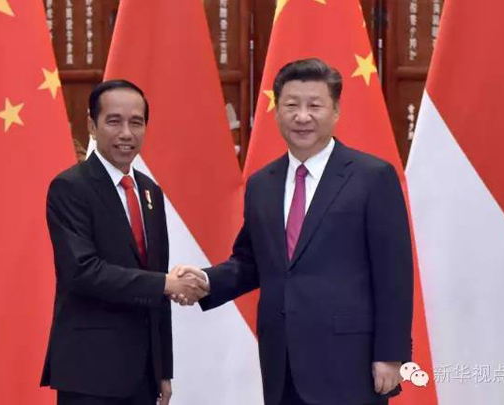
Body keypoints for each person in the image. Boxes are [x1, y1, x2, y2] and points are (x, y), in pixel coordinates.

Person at [174, 59, 413, 405]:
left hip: (350, 361)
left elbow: (394, 274)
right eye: (291, 105)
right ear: (277, 112)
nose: (302, 116)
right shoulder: (262, 184)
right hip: (281, 360)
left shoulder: (372, 177)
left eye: (314, 105)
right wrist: (206, 281)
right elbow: (251, 262)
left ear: (336, 111)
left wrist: (390, 355)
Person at [40, 79, 207, 405]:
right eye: (114, 121)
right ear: (92, 125)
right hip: (90, 372)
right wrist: (166, 283)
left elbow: (157, 280)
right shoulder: (70, 188)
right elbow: (83, 271)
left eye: (136, 123)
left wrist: (163, 369)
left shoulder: (149, 192)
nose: (126, 133)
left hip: (143, 374)